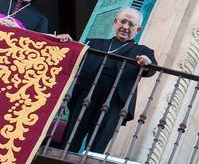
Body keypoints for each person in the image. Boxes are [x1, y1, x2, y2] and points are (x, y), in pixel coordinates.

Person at [64, 8, 157, 155]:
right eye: (123, 22)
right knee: (71, 139)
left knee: (97, 145)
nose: (125, 27)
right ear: (115, 22)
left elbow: (151, 69)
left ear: (138, 29)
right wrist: (65, 42)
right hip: (85, 95)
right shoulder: (92, 43)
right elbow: (71, 59)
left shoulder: (144, 51)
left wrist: (147, 63)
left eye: (131, 25)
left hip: (115, 102)